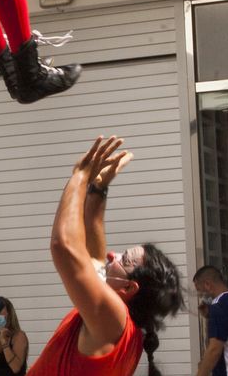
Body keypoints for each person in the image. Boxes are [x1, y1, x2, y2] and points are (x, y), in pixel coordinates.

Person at [27, 136, 184, 376]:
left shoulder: (113, 317)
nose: (113, 254)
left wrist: (80, 176)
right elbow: (93, 253)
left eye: (124, 259)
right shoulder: (120, 323)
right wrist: (99, 187)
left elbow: (64, 247)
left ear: (129, 288)